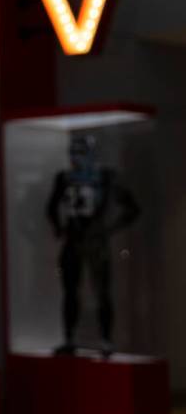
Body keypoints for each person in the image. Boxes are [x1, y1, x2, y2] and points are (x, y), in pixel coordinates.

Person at [46, 134, 140, 358]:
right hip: (74, 239)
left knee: (101, 292)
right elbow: (51, 206)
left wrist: (108, 229)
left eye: (81, 152)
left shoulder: (106, 177)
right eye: (73, 153)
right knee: (70, 291)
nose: (76, 158)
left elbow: (132, 208)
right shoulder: (65, 178)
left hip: (95, 241)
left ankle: (106, 340)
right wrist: (59, 227)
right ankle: (70, 338)